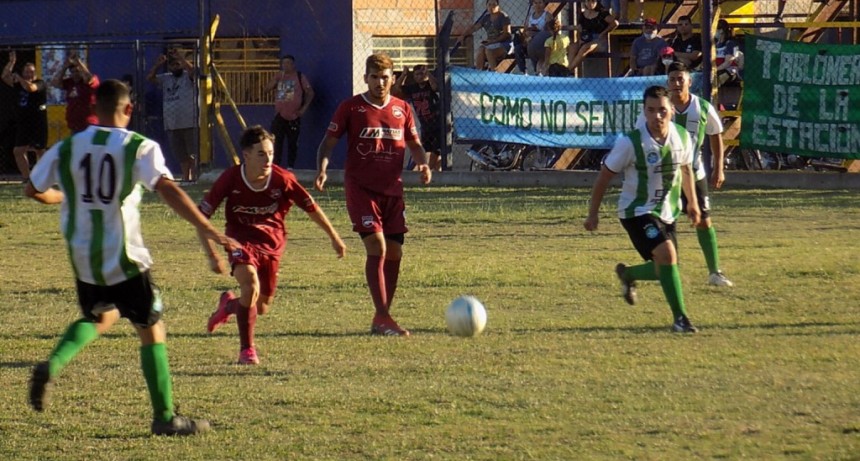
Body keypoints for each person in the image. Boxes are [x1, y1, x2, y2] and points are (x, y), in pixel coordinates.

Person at [24, 79, 238, 435]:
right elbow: (168, 189)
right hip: (123, 258)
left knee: (101, 316)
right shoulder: (138, 146)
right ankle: (165, 417)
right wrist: (209, 229)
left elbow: (33, 189)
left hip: (83, 258)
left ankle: (52, 364)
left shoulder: (67, 147)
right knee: (151, 329)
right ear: (128, 109)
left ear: (96, 108)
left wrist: (66, 198)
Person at [201, 125, 346, 365]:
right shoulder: (230, 178)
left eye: (270, 153)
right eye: (261, 154)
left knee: (262, 306)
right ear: (246, 155)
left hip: (271, 243)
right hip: (240, 239)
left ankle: (229, 306)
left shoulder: (282, 179)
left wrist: (334, 236)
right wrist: (211, 253)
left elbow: (311, 208)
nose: (268, 159)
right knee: (250, 284)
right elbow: (201, 218)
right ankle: (247, 351)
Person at [315, 53, 432, 337]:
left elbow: (415, 144)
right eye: (374, 77)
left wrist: (423, 162)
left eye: (385, 77)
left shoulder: (402, 108)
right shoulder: (351, 108)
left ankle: (382, 317)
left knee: (394, 251)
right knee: (377, 247)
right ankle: (383, 317)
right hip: (361, 188)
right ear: (366, 78)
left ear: (393, 79)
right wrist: (322, 169)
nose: (380, 83)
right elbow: (327, 144)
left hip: (392, 188)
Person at [584, 85, 701, 333]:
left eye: (662, 110)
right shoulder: (630, 142)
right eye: (651, 110)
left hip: (668, 211)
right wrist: (593, 213)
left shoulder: (681, 136)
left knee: (666, 269)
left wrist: (692, 203)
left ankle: (627, 274)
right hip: (636, 212)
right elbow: (604, 177)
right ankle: (681, 319)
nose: (657, 116)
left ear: (671, 110)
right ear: (644, 111)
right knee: (668, 255)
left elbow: (686, 169)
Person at [666, 62, 733, 286]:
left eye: (680, 79)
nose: (676, 83)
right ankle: (667, 269)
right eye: (672, 79)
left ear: (689, 82)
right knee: (666, 223)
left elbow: (716, 135)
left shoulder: (703, 107)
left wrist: (719, 168)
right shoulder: (661, 110)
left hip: (695, 175)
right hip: (666, 177)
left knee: (704, 221)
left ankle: (714, 272)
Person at [146, 49, 197, 184]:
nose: (176, 67)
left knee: (192, 152)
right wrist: (157, 65)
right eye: (173, 65)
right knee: (181, 155)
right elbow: (150, 78)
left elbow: (194, 72)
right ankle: (186, 178)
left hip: (188, 121)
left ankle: (194, 177)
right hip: (172, 123)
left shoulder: (187, 76)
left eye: (177, 64)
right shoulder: (166, 78)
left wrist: (181, 57)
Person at [2, 51, 48, 182]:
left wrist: (20, 78)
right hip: (23, 123)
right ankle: (26, 177)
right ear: (23, 72)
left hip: (38, 123)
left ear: (35, 73)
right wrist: (11, 63)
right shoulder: (18, 85)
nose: (29, 74)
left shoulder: (40, 83)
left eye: (31, 72)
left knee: (40, 151)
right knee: (18, 150)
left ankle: (42, 177)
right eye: (27, 72)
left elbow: (31, 88)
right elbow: (5, 76)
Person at [264, 54, 314, 169]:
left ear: (293, 65)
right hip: (279, 115)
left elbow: (310, 93)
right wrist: (274, 82)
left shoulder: (299, 77)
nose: (286, 66)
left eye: (288, 63)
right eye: (284, 64)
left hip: (294, 116)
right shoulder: (279, 76)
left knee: (292, 142)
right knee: (277, 142)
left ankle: (290, 166)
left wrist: (303, 109)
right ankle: (275, 166)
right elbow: (266, 89)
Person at [393, 65, 443, 171]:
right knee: (424, 149)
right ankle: (417, 171)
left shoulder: (430, 85)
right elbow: (395, 91)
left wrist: (428, 73)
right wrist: (404, 75)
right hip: (425, 125)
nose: (420, 76)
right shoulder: (412, 89)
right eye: (417, 74)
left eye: (422, 73)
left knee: (437, 150)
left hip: (438, 123)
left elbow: (436, 87)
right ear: (414, 77)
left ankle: (428, 171)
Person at [456, 0, 513, 72]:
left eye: (494, 5)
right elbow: (474, 28)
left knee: (488, 51)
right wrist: (463, 35)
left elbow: (507, 34)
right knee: (481, 49)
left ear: (498, 6)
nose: (492, 7)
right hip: (490, 43)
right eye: (489, 5)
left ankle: (494, 72)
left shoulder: (503, 17)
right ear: (486, 6)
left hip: (503, 44)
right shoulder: (486, 18)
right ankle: (479, 72)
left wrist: (493, 41)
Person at [50, 52, 99, 133]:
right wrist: (64, 67)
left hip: (89, 125)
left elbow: (89, 79)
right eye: (73, 72)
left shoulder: (89, 81)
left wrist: (79, 62)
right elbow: (55, 83)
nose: (75, 74)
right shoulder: (70, 82)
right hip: (74, 125)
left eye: (78, 71)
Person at [568, 0, 618, 74]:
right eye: (588, 1)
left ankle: (568, 70)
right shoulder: (582, 15)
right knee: (572, 46)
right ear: (585, 2)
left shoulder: (602, 14)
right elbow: (580, 29)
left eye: (592, 1)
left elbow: (615, 23)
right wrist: (580, 38)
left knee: (585, 47)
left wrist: (604, 32)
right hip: (586, 38)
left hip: (598, 40)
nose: (590, 4)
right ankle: (570, 70)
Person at [514, 0, 551, 75]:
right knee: (518, 48)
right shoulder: (530, 17)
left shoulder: (547, 15)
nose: (538, 5)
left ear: (544, 4)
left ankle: (537, 70)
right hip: (529, 40)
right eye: (535, 3)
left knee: (533, 45)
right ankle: (523, 71)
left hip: (541, 42)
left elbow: (549, 31)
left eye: (540, 3)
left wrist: (536, 32)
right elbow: (525, 30)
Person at [715, 19, 742, 86]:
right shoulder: (716, 44)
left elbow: (728, 62)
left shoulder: (730, 43)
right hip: (718, 70)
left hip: (730, 71)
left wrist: (714, 70)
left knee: (716, 79)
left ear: (721, 30)